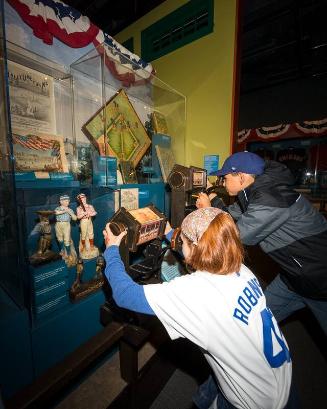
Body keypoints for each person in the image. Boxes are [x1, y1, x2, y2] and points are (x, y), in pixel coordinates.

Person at [103, 207, 292, 409]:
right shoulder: (241, 270)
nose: (180, 244)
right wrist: (168, 231)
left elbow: (125, 295)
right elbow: (199, 252)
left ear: (196, 247)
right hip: (282, 382)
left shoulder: (195, 294)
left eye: (183, 242)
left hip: (252, 402)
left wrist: (112, 249)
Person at [196, 151, 327, 335]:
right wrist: (215, 202)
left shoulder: (270, 199)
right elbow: (230, 214)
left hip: (319, 280)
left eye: (225, 179)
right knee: (255, 319)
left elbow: (236, 237)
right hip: (293, 277)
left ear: (241, 176)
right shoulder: (257, 192)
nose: (223, 184)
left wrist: (208, 210)